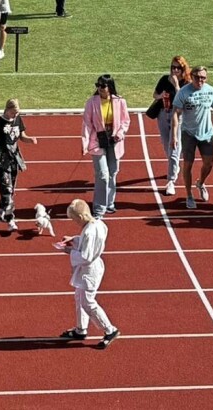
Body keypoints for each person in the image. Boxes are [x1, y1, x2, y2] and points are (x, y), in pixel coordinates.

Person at [55, 199, 119, 348]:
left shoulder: (89, 230)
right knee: (79, 296)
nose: (74, 223)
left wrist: (69, 250)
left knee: (87, 301)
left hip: (90, 271)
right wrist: (74, 240)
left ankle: (110, 329)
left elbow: (85, 256)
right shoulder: (98, 224)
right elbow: (89, 243)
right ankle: (81, 328)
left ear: (81, 217)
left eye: (74, 219)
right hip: (91, 268)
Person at [171, 65, 213, 209]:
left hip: (207, 133)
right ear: (191, 77)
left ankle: (201, 183)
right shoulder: (184, 92)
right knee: (188, 164)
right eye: (197, 77)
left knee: (209, 163)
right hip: (189, 133)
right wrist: (174, 136)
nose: (200, 80)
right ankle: (189, 195)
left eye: (203, 77)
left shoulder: (210, 91)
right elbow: (175, 113)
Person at [82, 74, 130, 219]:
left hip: (114, 142)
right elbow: (87, 124)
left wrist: (120, 134)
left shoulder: (120, 101)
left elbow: (125, 121)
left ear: (110, 87)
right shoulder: (91, 102)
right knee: (102, 175)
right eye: (98, 85)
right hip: (98, 141)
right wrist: (85, 144)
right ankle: (99, 208)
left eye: (103, 86)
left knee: (112, 173)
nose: (100, 88)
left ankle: (109, 202)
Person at [0, 98, 37, 230]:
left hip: (14, 158)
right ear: (8, 110)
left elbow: (22, 136)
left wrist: (30, 139)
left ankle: (2, 207)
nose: (15, 115)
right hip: (1, 158)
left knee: (11, 189)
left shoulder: (18, 119)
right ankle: (10, 220)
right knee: (7, 190)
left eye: (17, 112)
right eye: (13, 112)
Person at [150, 56, 188, 195]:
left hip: (178, 116)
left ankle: (171, 181)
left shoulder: (186, 82)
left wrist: (177, 85)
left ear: (183, 69)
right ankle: (175, 164)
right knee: (166, 144)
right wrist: (161, 96)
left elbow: (183, 100)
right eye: (173, 67)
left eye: (178, 68)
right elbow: (154, 94)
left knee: (173, 146)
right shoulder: (164, 79)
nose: (175, 70)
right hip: (162, 113)